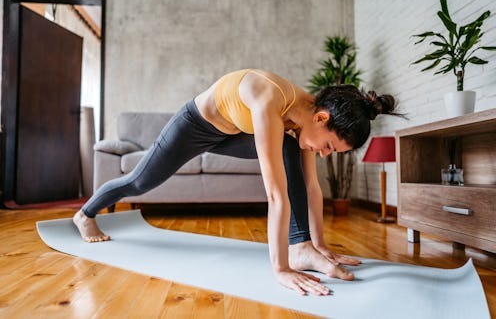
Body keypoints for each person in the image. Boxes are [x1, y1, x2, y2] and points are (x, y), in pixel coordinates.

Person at [73, 69, 399, 296]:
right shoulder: (271, 101)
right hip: (194, 126)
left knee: (290, 146)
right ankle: (85, 214)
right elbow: (275, 194)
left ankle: (302, 248)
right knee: (139, 182)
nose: (325, 154)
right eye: (329, 146)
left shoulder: (305, 123)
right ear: (321, 118)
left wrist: (321, 246)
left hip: (231, 134)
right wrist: (280, 269)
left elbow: (312, 188)